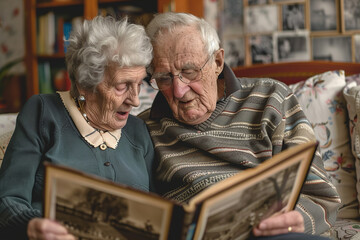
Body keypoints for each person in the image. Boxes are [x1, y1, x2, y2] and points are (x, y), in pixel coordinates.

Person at [139, 12, 341, 239]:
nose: (179, 90)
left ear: (217, 62)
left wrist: (297, 220)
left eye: (189, 71)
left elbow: (321, 198)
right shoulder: (144, 128)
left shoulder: (272, 98)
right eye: (165, 78)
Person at [0, 15, 154, 240]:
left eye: (139, 84)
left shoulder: (138, 131)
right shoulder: (43, 113)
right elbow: (7, 200)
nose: (136, 100)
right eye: (122, 86)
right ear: (86, 84)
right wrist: (31, 226)